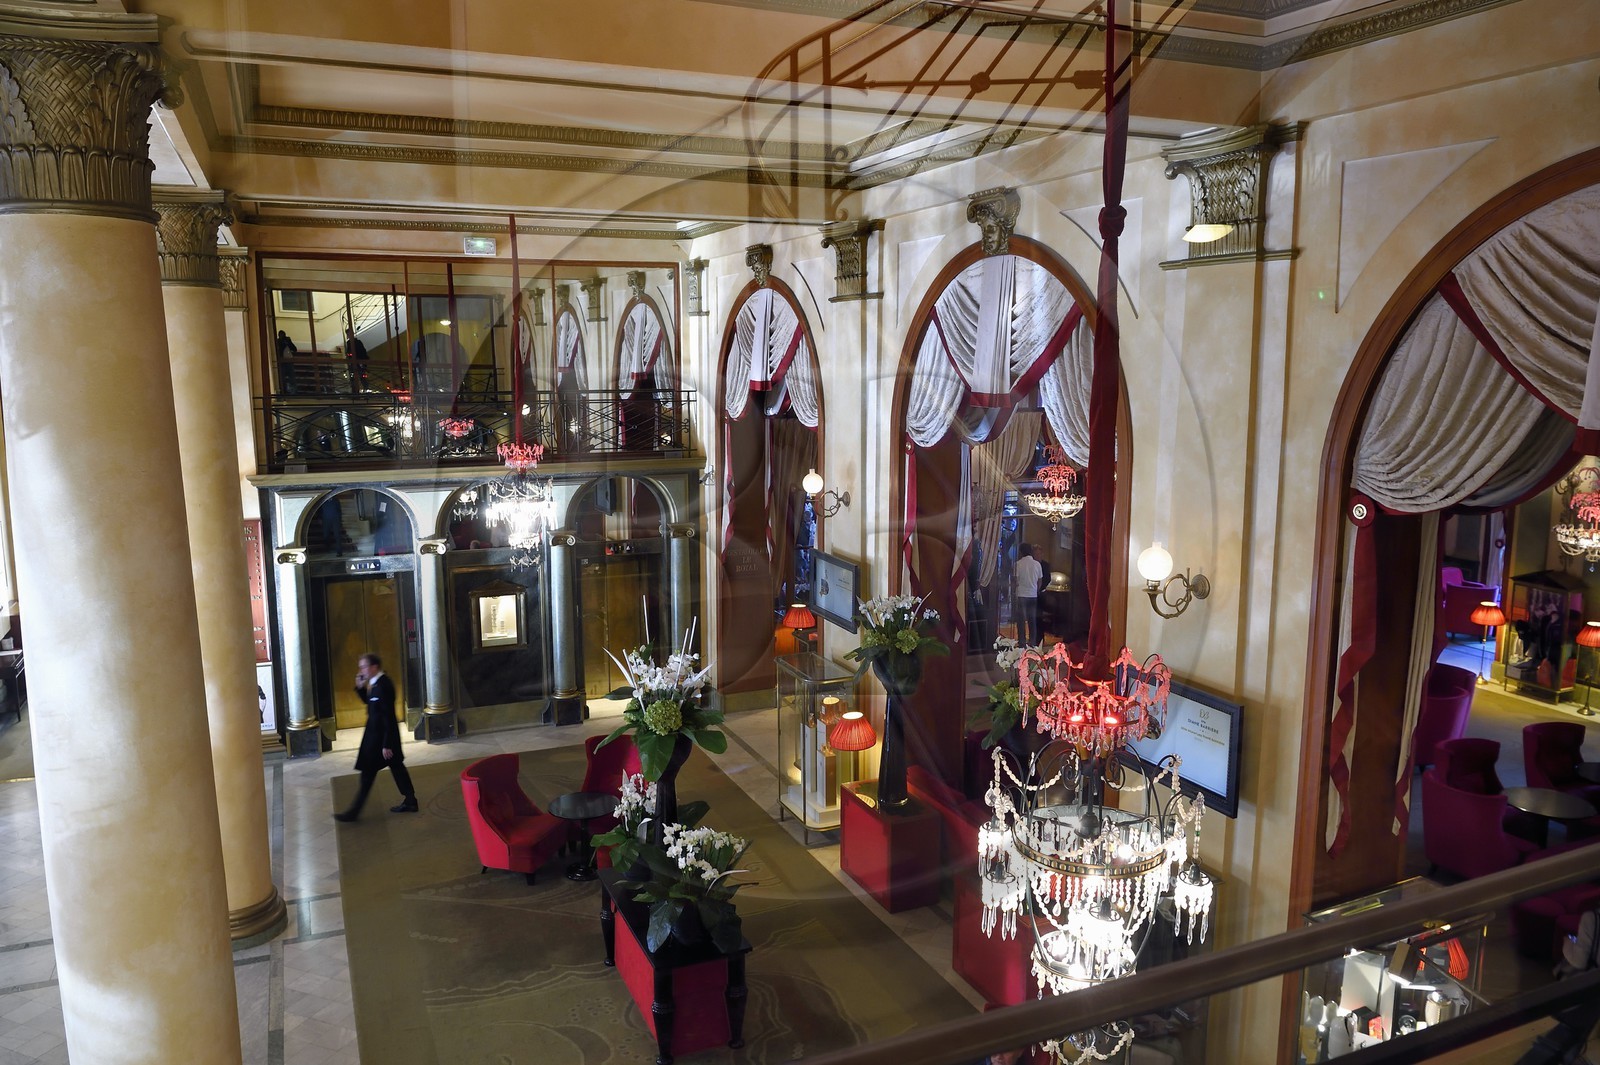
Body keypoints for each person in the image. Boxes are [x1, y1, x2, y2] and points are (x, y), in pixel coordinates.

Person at [333, 652, 418, 821]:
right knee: (396, 768)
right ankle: (410, 801)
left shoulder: (383, 685)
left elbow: (387, 716)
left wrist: (386, 744)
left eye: (363, 666)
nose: (360, 670)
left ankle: (353, 813)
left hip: (380, 739)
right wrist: (359, 688)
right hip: (379, 737)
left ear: (374, 667)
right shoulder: (376, 683)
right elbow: (371, 703)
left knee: (369, 774)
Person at [1014, 543, 1044, 647]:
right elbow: (1040, 581)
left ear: (1021, 552)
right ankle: (1032, 643)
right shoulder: (1037, 564)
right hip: (1033, 595)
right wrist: (1036, 590)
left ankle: (1022, 642)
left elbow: (1015, 580)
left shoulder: (1018, 564)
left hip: (1021, 594)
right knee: (1032, 620)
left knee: (1021, 620)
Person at [344, 328, 369, 392]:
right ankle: (356, 391)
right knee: (355, 377)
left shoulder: (357, 342)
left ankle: (364, 390)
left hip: (359, 363)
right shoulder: (350, 343)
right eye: (348, 334)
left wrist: (363, 362)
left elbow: (362, 352)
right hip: (355, 363)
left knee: (361, 377)